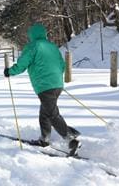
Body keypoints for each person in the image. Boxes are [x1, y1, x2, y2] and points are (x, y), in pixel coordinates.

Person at [4, 23, 81, 156]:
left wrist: (10, 71)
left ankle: (71, 138)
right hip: (57, 84)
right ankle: (44, 139)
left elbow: (22, 64)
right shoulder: (52, 47)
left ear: (32, 35)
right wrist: (54, 77)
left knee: (52, 114)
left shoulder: (32, 47)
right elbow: (62, 65)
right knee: (45, 113)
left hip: (45, 86)